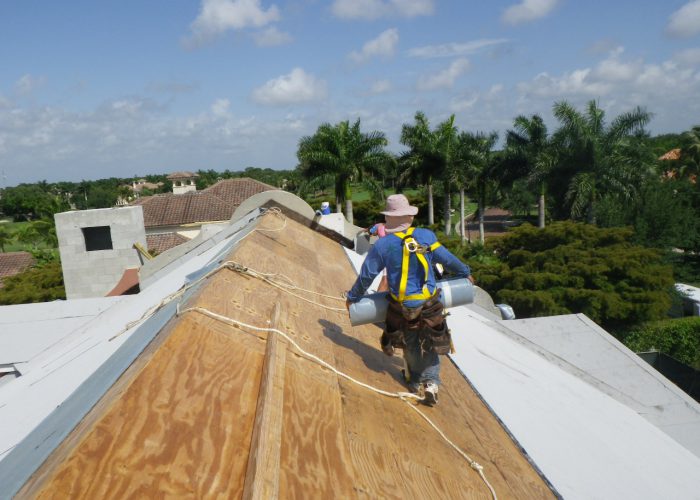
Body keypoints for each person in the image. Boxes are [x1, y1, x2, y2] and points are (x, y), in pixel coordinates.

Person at [345, 194, 474, 405]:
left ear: (387, 219)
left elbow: (367, 275)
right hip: (431, 302)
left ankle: (417, 382)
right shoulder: (426, 236)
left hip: (406, 305)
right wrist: (465, 272)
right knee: (431, 339)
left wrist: (353, 298)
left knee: (412, 343)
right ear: (410, 218)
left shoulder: (383, 245)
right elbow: (447, 259)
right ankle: (431, 382)